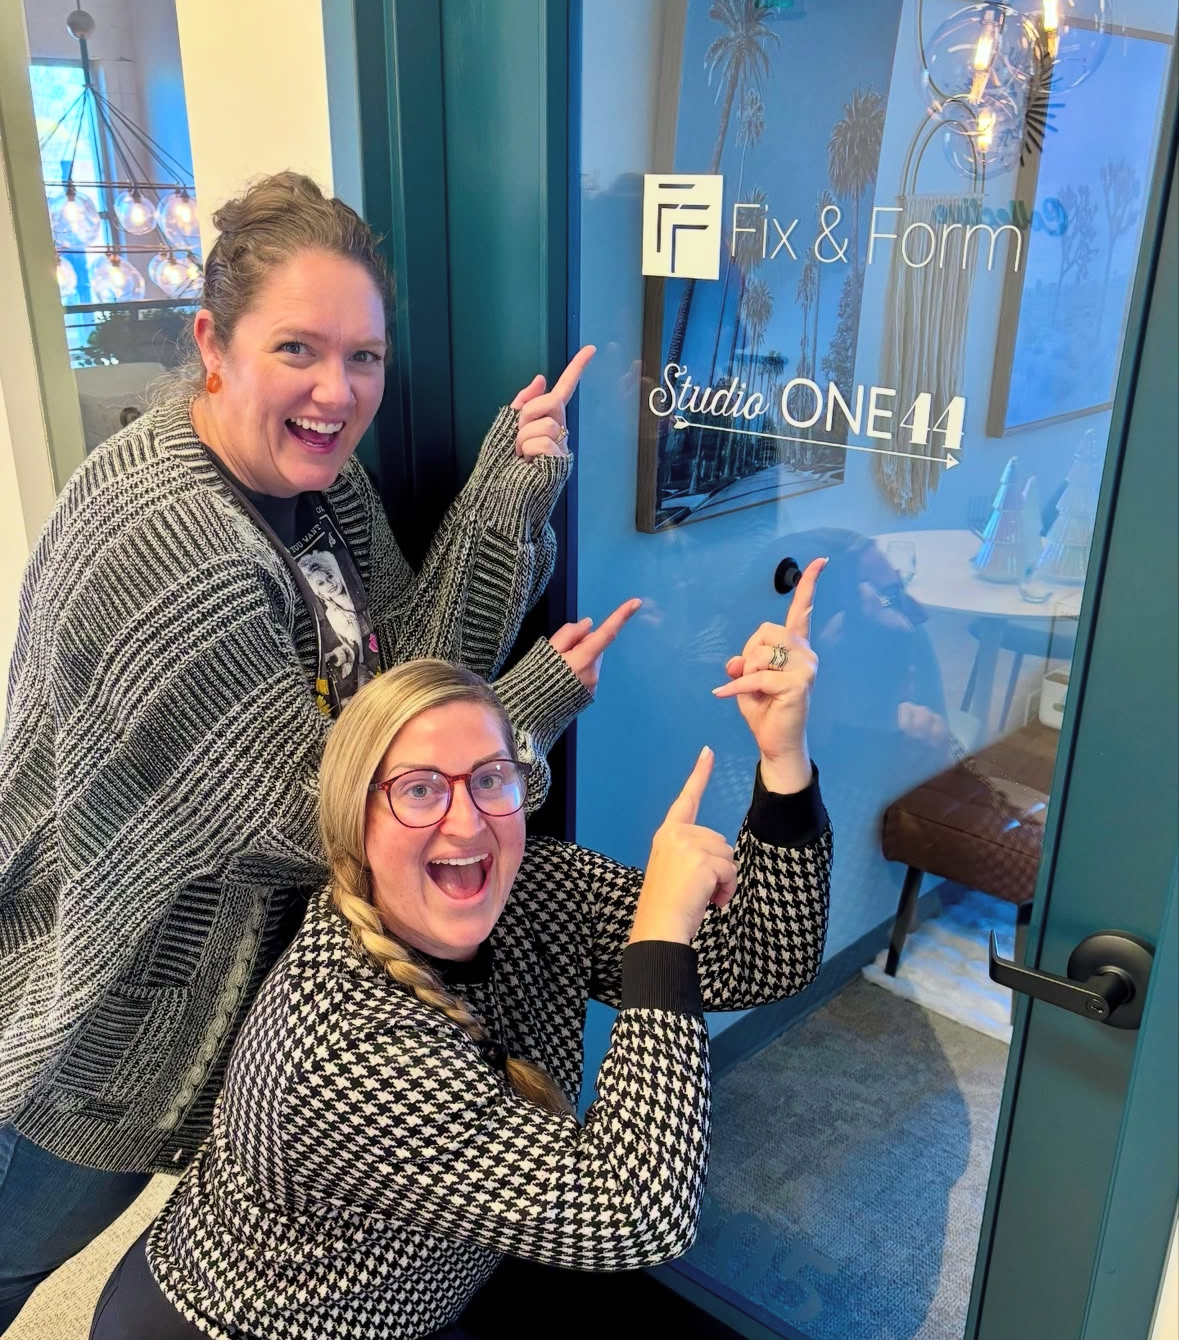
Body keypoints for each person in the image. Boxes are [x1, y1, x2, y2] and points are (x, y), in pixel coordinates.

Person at [0, 171, 637, 1329]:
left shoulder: (320, 490)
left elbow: (402, 690)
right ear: (213, 343)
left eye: (365, 358)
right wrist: (529, 713)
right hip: (93, 1009)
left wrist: (507, 494)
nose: (337, 391)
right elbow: (333, 811)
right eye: (297, 347)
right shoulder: (170, 540)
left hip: (199, 988)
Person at [88, 560, 832, 1340]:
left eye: (489, 779)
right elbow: (637, 1215)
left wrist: (783, 760)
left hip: (422, 1282)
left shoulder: (536, 889)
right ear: (354, 821)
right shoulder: (345, 1041)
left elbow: (763, 958)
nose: (467, 821)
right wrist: (657, 937)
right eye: (418, 789)